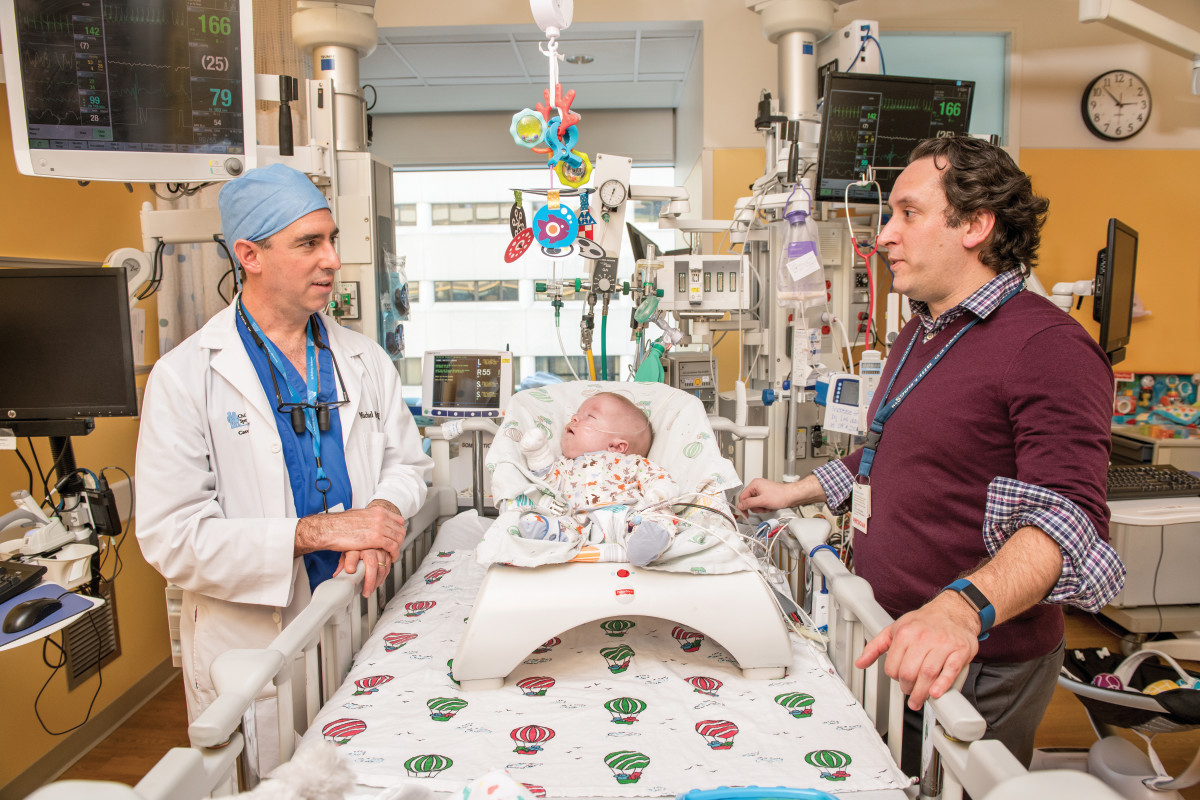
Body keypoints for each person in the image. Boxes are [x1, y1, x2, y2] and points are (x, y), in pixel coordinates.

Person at [738, 137, 1124, 773]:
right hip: (891, 627)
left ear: (975, 225)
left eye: (907, 214)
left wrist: (959, 609)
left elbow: (1067, 519)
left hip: (972, 657)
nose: (884, 236)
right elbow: (888, 453)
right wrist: (796, 491)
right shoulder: (921, 331)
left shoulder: (1047, 346)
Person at [135, 163, 433, 765]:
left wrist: (379, 511)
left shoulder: (364, 359)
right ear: (249, 254)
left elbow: (410, 465)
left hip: (353, 606)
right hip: (252, 632)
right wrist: (320, 531)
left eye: (332, 241)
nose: (332, 261)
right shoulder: (186, 375)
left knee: (361, 769)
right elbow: (172, 537)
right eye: (308, 244)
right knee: (269, 774)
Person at [516, 392, 681, 566]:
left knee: (658, 513)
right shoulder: (566, 465)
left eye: (590, 416)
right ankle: (553, 532)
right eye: (577, 414)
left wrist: (659, 493)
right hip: (583, 522)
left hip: (629, 516)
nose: (574, 418)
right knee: (565, 524)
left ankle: (647, 542)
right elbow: (548, 483)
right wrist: (539, 456)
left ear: (617, 446)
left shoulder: (632, 462)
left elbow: (657, 477)